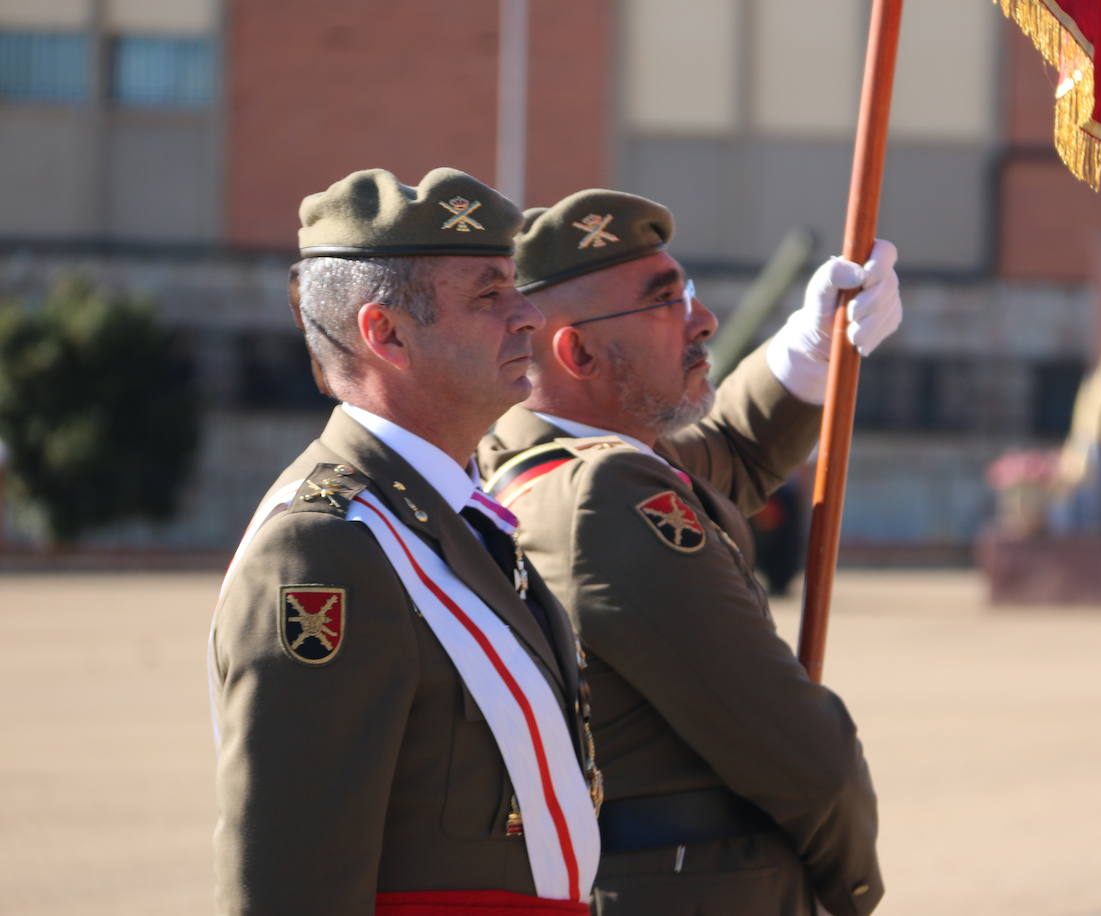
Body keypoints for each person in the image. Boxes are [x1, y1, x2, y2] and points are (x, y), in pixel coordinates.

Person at [478, 189, 901, 916]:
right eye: (664, 301)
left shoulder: (545, 462)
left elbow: (727, 459)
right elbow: (805, 758)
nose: (702, 320)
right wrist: (851, 889)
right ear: (576, 351)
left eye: (690, 292)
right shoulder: (604, 494)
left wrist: (809, 347)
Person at [209, 168, 601, 915]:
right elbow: (293, 877)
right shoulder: (328, 548)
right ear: (385, 333)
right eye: (490, 295)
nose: (528, 317)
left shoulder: (453, 513)